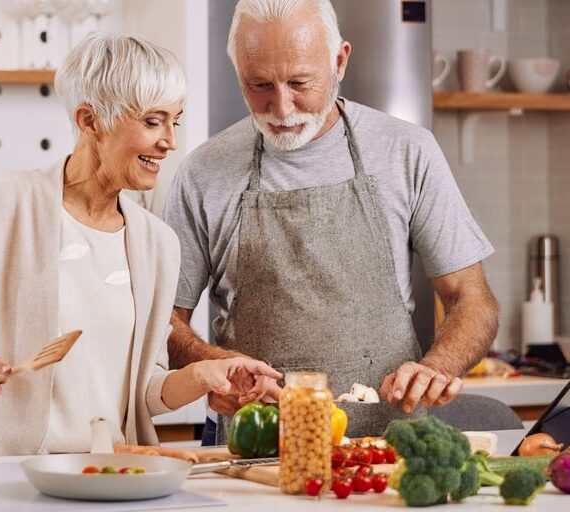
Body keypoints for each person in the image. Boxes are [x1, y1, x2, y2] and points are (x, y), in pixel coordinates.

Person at [163, 0, 499, 444]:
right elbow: (163, 320)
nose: (281, 108)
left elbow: (472, 299)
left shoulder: (408, 152)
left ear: (339, 60)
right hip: (258, 447)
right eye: (259, 84)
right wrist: (209, 367)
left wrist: (438, 368)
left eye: (300, 82)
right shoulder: (203, 171)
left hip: (388, 449)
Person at [0, 33, 280, 458]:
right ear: (89, 121)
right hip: (2, 472)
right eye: (152, 122)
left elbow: (146, 392)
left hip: (113, 475)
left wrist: (206, 374)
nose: (170, 141)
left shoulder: (156, 244)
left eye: (175, 121)